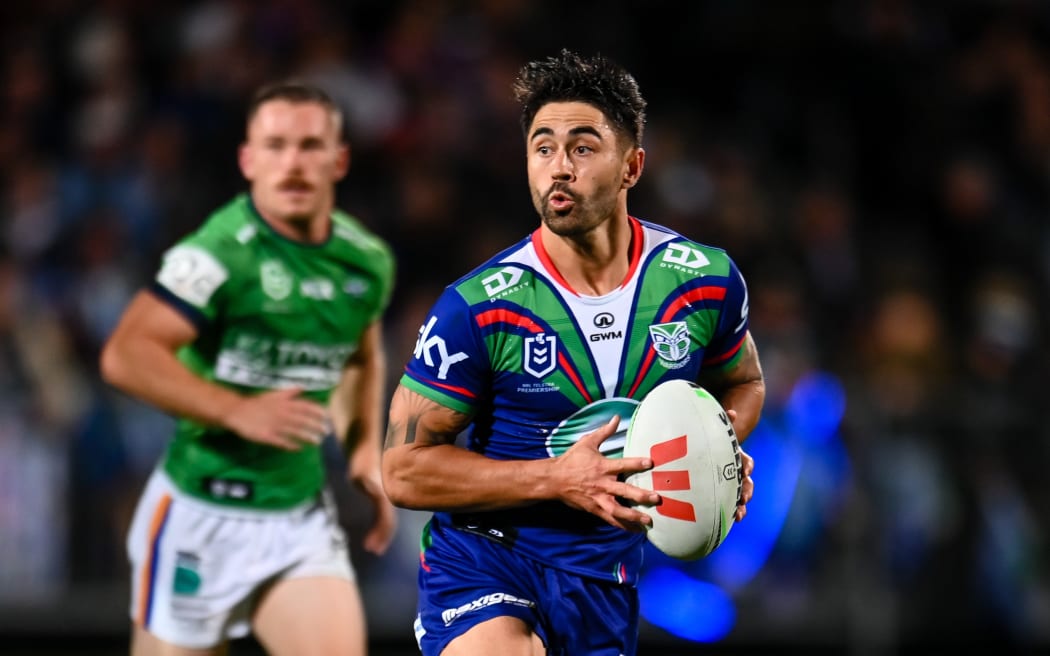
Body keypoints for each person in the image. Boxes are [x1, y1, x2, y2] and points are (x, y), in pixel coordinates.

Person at [382, 49, 766, 656]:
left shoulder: (702, 282)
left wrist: (719, 445)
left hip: (604, 580)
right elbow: (402, 469)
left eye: (582, 148)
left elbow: (743, 383)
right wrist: (555, 479)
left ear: (632, 166)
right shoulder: (479, 307)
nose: (558, 167)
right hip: (487, 560)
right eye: (542, 148)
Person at [99, 80, 397, 656]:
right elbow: (124, 355)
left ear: (339, 160)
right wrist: (235, 409)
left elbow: (358, 354)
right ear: (248, 160)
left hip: (296, 516)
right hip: (197, 513)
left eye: (310, 146)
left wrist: (362, 449)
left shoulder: (366, 262)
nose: (293, 162)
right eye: (276, 145)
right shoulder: (218, 254)